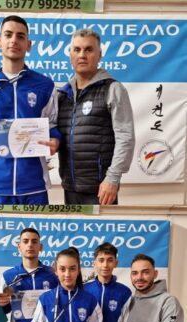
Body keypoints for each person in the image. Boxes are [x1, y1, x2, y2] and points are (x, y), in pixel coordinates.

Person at [0, 15, 61, 205]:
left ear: (28, 45)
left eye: (20, 36)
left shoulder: (45, 85)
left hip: (34, 186)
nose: (14, 40)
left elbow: (52, 125)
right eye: (8, 35)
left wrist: (56, 140)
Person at [57, 29, 135, 205]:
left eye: (88, 49)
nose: (82, 55)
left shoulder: (113, 89)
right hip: (70, 188)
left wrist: (112, 178)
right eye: (77, 50)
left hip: (101, 189)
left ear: (99, 55)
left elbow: (126, 137)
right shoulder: (63, 94)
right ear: (70, 55)